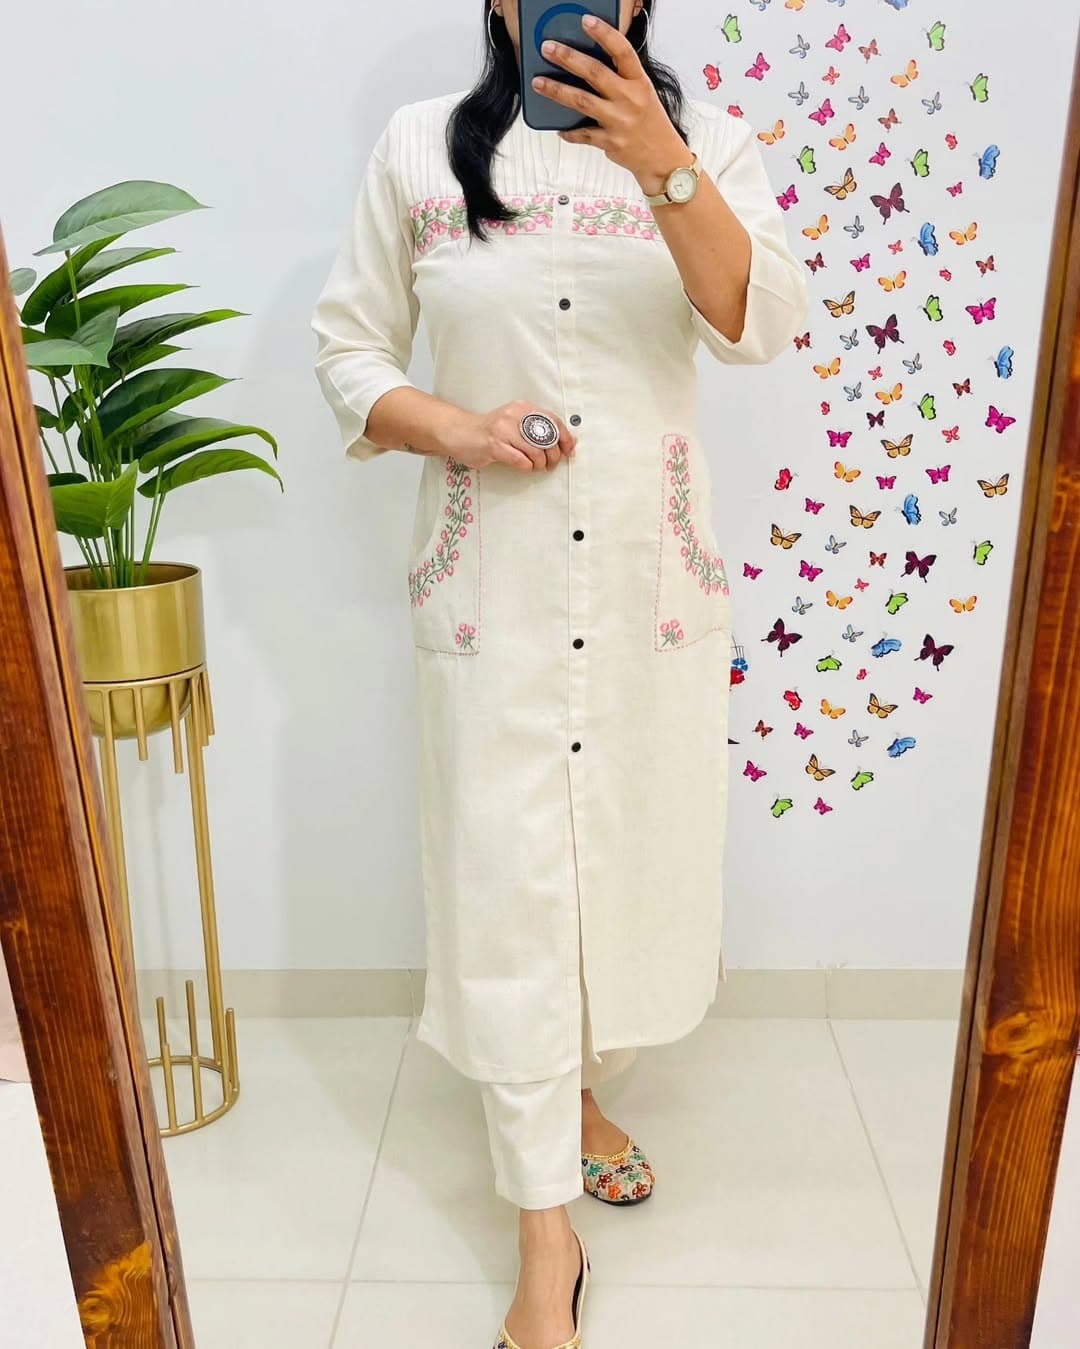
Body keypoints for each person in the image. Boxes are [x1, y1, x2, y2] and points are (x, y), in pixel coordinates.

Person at [310, 3, 807, 1345]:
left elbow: (758, 323)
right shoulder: (419, 151)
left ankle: (579, 1086)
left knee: (626, 867)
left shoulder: (709, 145)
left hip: (649, 587)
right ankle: (546, 1237)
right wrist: (457, 427)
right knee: (508, 890)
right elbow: (347, 352)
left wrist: (663, 162)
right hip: (495, 586)